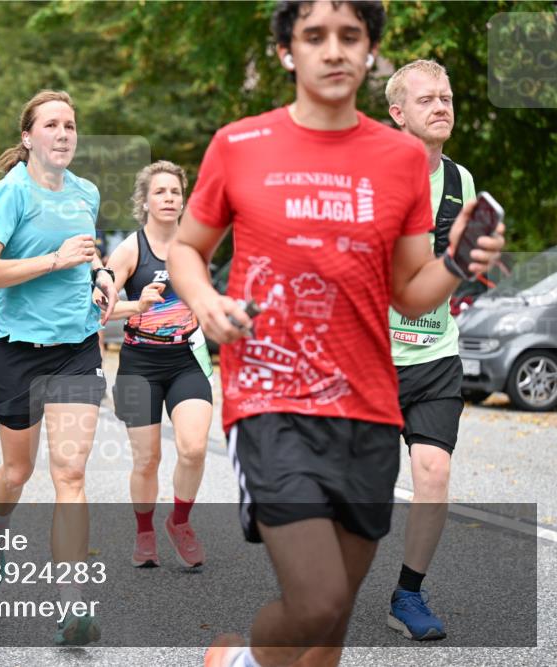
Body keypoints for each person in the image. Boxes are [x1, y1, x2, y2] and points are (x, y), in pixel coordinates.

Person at [164, 3, 505, 666]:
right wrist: (205, 301)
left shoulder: (400, 158)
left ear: (370, 50)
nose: (333, 50)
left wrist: (460, 261)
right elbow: (186, 248)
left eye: (350, 36)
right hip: (271, 399)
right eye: (313, 36)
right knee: (316, 598)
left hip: (369, 405)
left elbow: (409, 288)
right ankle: (238, 659)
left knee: (331, 623)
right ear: (288, 51)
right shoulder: (240, 144)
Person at [0, 89, 117, 647]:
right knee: (16, 474)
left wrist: (99, 275)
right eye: (51, 124)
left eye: (70, 125)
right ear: (28, 136)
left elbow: (88, 252)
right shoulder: (10, 194)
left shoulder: (86, 193)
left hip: (76, 345)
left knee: (71, 476)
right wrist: (54, 261)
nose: (63, 133)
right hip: (17, 349)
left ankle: (72, 606)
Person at [382, 59, 477, 641]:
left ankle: (408, 594)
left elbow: (453, 266)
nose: (441, 106)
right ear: (398, 114)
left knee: (433, 472)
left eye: (446, 97)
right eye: (426, 99)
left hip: (435, 355)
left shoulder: (462, 182)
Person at [102, 161, 213, 568]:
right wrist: (138, 304)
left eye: (175, 192)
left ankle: (179, 523)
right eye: (160, 192)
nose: (169, 198)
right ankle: (145, 529)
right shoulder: (131, 249)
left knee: (194, 447)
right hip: (138, 364)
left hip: (185, 359)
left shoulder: (196, 244)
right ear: (145, 201)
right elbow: (99, 309)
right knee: (147, 459)